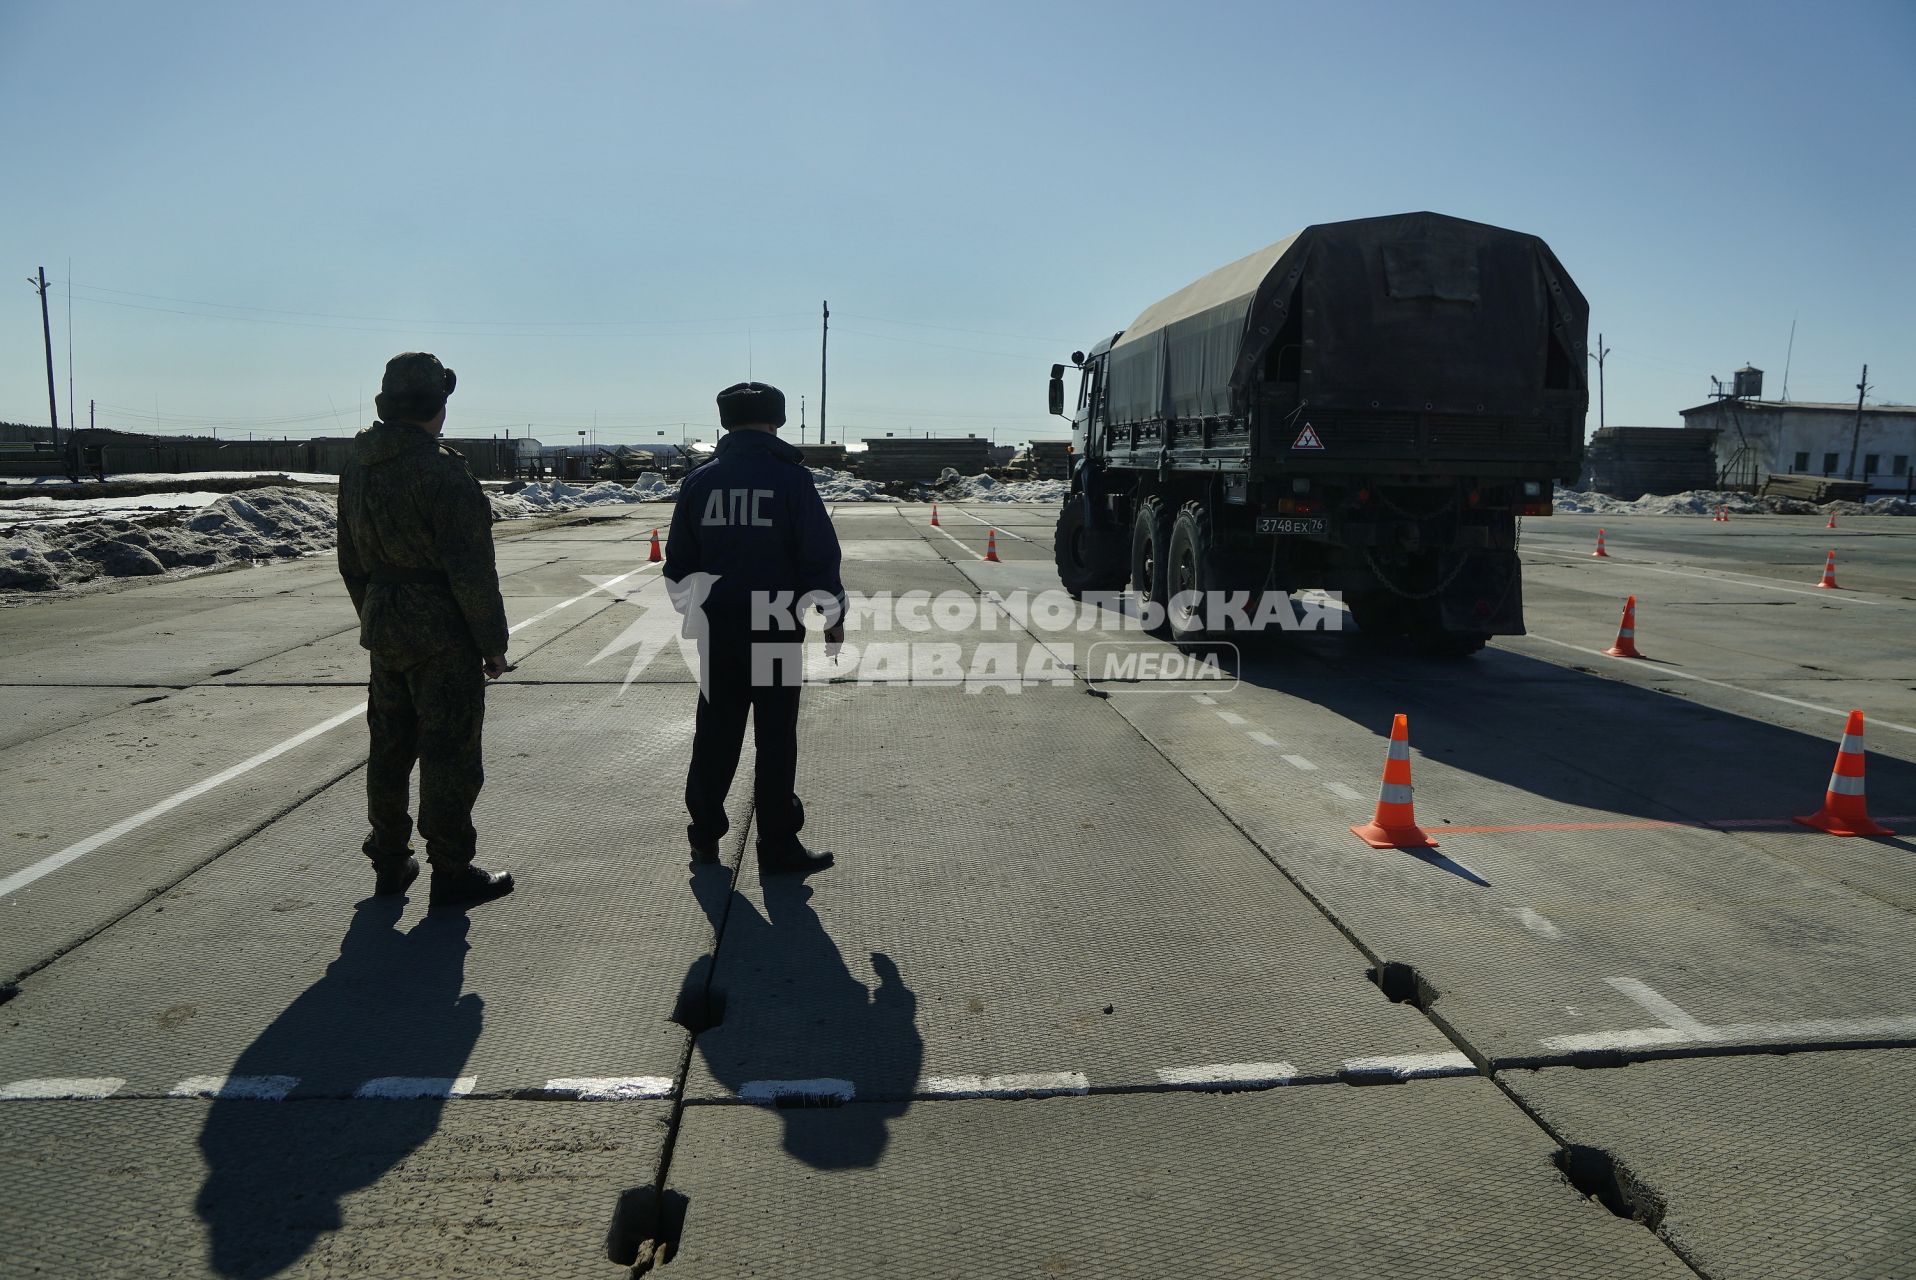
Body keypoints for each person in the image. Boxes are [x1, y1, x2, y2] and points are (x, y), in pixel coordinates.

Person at [336, 352, 515, 907]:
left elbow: (349, 557)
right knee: (450, 752)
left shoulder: (359, 465)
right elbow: (470, 569)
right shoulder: (442, 471)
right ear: (439, 405)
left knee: (389, 747)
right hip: (442, 628)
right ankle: (452, 870)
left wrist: (375, 612)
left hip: (386, 621)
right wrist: (491, 643)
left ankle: (390, 859)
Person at [664, 381, 845, 876]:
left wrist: (692, 612)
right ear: (777, 421)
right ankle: (778, 844)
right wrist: (833, 617)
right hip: (773, 625)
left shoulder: (700, 483)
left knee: (716, 732)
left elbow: (679, 563)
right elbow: (819, 556)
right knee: (775, 735)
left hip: (719, 628)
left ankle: (703, 834)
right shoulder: (790, 481)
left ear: (725, 423)